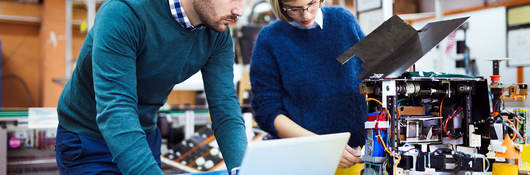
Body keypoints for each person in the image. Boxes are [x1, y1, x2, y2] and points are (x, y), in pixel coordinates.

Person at [55, 0, 247, 174]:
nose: (240, 10)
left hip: (145, 136)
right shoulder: (124, 12)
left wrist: (243, 169)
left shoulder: (217, 33)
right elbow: (116, 108)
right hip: (89, 141)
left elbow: (225, 108)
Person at [249, 0, 367, 171]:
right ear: (280, 5)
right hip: (305, 160)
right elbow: (267, 112)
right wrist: (323, 147)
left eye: (311, 4)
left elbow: (371, 74)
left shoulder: (343, 20)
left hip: (355, 158)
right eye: (294, 9)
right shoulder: (270, 39)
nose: (306, 15)